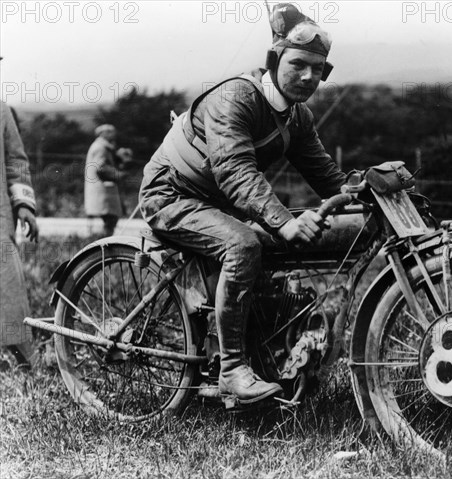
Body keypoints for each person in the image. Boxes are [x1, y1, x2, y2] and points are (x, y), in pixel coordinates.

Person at [139, 3, 346, 406]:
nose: (308, 77)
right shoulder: (235, 96)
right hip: (171, 195)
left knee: (269, 252)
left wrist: (365, 194)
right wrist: (283, 221)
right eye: (299, 64)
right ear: (274, 59)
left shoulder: (297, 118)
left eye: (318, 69)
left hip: (217, 203)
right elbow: (235, 172)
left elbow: (327, 176)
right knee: (243, 245)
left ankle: (266, 354)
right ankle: (233, 369)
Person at [1, 99, 39, 367]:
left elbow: (16, 160)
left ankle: (21, 357)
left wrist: (24, 205)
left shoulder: (1, 110)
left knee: (7, 282)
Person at [84, 124, 125, 236]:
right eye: (109, 132)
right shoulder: (101, 148)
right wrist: (119, 175)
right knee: (110, 219)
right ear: (102, 134)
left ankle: (104, 240)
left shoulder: (102, 147)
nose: (113, 135)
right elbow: (101, 168)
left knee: (110, 219)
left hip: (102, 189)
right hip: (103, 190)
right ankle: (104, 242)